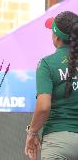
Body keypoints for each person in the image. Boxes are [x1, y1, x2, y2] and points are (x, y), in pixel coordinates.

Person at [25, 11, 78, 160]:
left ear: (56, 37)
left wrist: (32, 133)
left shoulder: (47, 64)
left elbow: (43, 107)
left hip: (58, 143)